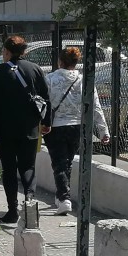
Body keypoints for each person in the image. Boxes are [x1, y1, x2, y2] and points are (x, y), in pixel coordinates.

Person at [0, 35, 51, 225]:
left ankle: (12, 211)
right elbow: (45, 97)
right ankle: (29, 203)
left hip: (4, 130)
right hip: (30, 129)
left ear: (6, 51)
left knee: (9, 169)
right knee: (28, 167)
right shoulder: (35, 69)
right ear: (24, 52)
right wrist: (47, 121)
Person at [45, 47, 110, 215]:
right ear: (76, 62)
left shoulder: (50, 79)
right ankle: (62, 196)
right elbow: (95, 107)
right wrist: (104, 131)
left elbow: (43, 103)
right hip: (77, 126)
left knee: (58, 163)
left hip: (55, 126)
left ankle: (64, 198)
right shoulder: (85, 81)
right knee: (67, 162)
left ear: (60, 61)